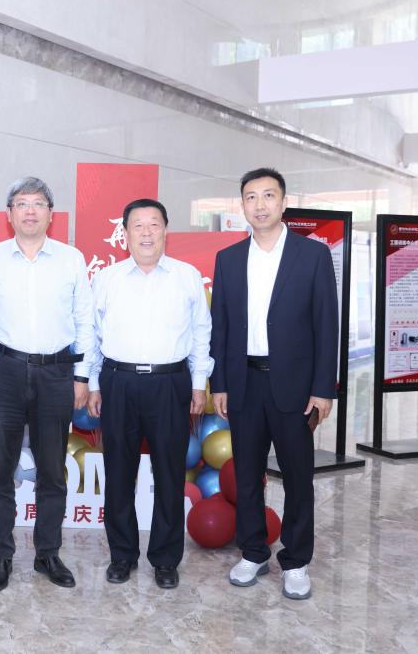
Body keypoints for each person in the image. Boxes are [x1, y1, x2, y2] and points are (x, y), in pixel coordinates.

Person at [210, 167, 338, 600]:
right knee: (247, 474)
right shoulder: (229, 259)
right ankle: (253, 551)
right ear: (242, 205)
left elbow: (326, 325)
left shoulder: (312, 255)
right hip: (243, 382)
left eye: (268, 195)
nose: (260, 204)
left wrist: (323, 388)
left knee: (298, 477)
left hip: (296, 387)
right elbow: (221, 326)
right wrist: (220, 383)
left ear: (284, 203)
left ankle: (296, 561)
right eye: (251, 197)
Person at [0, 176, 95, 591]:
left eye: (38, 203)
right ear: (9, 214)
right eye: (22, 204)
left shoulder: (71, 259)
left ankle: (48, 553)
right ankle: (0, 555)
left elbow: (85, 321)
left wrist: (83, 375)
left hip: (56, 373)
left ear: (51, 214)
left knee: (52, 471)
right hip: (3, 370)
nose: (30, 211)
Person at [86, 199, 212, 589]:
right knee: (119, 473)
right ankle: (122, 555)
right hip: (118, 382)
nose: (146, 232)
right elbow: (92, 334)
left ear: (165, 231)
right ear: (125, 233)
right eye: (137, 225)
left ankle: (165, 559)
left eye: (153, 224)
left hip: (170, 383)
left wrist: (199, 382)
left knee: (170, 474)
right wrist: (93, 384)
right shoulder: (107, 279)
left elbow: (201, 332)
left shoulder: (186, 276)